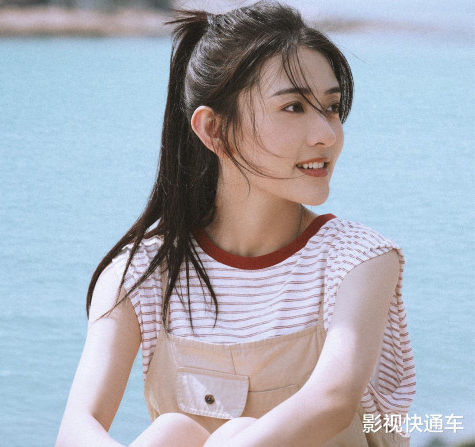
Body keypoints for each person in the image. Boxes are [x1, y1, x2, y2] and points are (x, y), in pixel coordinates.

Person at [56, 2, 416, 446]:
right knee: (171, 432)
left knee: (232, 432)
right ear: (214, 130)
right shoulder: (144, 274)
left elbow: (333, 401)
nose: (327, 133)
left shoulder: (358, 260)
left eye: (331, 106)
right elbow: (75, 429)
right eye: (293, 107)